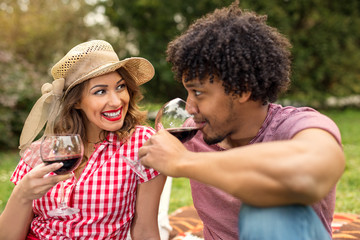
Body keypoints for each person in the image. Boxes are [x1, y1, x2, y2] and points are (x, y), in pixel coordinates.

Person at [138, 2, 345, 240]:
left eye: (199, 93)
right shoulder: (192, 133)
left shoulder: (297, 125)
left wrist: (184, 162)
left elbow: (310, 176)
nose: (190, 107)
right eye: (187, 92)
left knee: (268, 209)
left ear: (242, 90)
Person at [0, 40, 166, 240]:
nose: (116, 101)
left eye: (120, 87)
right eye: (100, 91)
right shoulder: (42, 151)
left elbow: (145, 231)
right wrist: (22, 194)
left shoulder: (140, 143)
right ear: (77, 101)